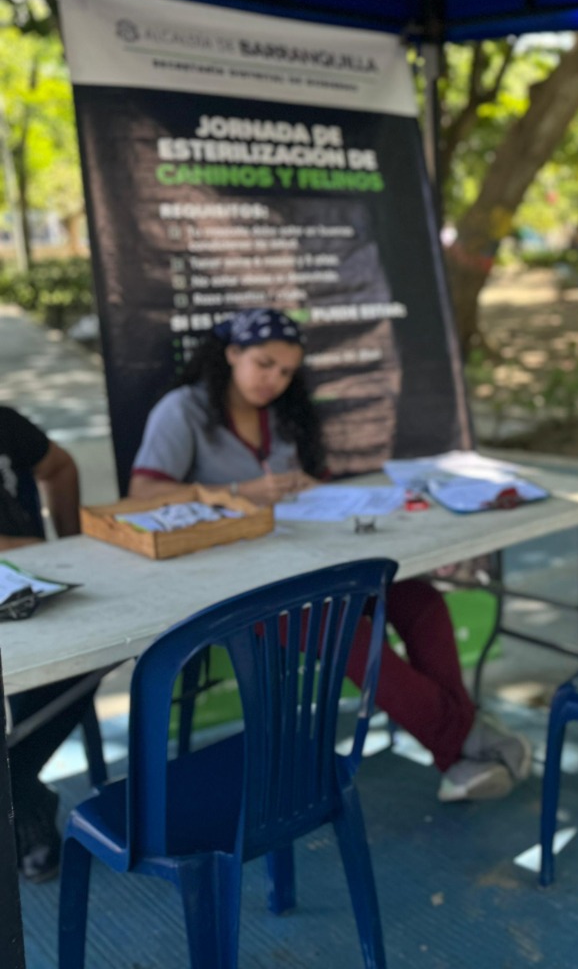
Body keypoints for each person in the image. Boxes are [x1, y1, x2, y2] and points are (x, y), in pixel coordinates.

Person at [128, 308, 532, 803]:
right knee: (350, 634)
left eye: (285, 371)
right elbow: (141, 495)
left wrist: (308, 488)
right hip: (236, 585)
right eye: (264, 363)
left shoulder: (280, 414)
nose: (274, 380)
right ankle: (465, 741)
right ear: (231, 353)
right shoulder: (183, 410)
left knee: (421, 600)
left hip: (307, 559)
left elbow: (298, 493)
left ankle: (459, 749)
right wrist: (241, 490)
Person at [1, 405, 92, 882]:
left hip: (37, 594)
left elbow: (59, 466)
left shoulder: (3, 420)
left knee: (96, 650)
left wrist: (71, 545)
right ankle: (23, 797)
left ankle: (16, 786)